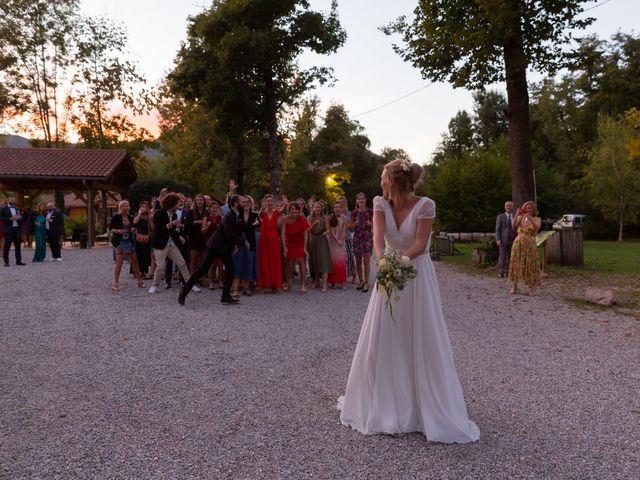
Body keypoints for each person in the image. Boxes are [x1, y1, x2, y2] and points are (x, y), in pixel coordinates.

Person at [338, 158, 480, 444]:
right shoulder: (380, 204)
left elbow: (419, 243)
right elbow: (378, 239)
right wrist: (383, 264)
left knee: (420, 334)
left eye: (383, 178)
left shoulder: (425, 205)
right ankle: (386, 399)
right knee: (387, 334)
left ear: (393, 180)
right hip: (390, 273)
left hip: (417, 275)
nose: (380, 183)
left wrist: (399, 263)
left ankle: (423, 403)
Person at [179, 195, 244, 305]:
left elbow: (236, 230)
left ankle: (225, 296)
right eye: (242, 201)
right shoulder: (230, 215)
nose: (244, 203)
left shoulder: (237, 214)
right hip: (215, 246)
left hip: (224, 247)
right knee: (202, 270)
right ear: (236, 204)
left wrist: (235, 245)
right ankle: (183, 292)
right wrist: (242, 242)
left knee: (231, 269)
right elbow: (230, 234)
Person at [148, 193, 199, 295]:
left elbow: (172, 231)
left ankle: (190, 284)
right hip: (160, 244)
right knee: (161, 266)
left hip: (171, 244)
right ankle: (154, 285)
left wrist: (180, 237)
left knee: (182, 263)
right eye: (177, 203)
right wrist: (171, 224)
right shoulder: (159, 214)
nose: (179, 205)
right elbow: (158, 230)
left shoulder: (174, 215)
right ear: (171, 203)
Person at [110, 200, 144, 292]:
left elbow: (133, 225)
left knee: (134, 260)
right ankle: (116, 283)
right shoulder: (116, 217)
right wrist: (118, 231)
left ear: (129, 207)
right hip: (119, 241)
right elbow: (111, 229)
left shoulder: (130, 217)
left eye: (127, 206)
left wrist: (133, 229)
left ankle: (139, 280)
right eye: (123, 206)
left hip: (128, 241)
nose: (125, 208)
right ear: (120, 208)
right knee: (119, 262)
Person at [508, 201, 542, 295]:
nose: (528, 209)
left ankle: (532, 288)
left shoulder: (537, 218)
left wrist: (530, 219)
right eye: (526, 208)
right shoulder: (520, 217)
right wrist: (516, 215)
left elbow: (537, 228)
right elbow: (513, 225)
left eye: (530, 208)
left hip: (530, 242)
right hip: (519, 242)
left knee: (531, 264)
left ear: (533, 209)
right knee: (516, 263)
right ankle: (514, 287)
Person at [232, 195, 259, 297]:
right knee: (237, 264)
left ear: (251, 204)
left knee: (249, 263)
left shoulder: (254, 215)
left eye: (248, 201)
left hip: (251, 242)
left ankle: (246, 287)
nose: (246, 203)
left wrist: (257, 223)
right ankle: (235, 288)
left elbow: (259, 225)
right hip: (239, 242)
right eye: (244, 201)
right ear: (241, 204)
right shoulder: (237, 215)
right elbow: (234, 231)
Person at [257, 194, 283, 292]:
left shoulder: (276, 212)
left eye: (271, 201)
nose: (270, 202)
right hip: (264, 239)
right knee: (265, 260)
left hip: (274, 239)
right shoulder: (261, 213)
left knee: (274, 260)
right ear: (265, 202)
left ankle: (274, 284)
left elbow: (283, 208)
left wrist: (284, 202)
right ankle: (266, 284)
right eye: (268, 201)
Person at [282, 202, 310, 294]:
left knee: (301, 260)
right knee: (287, 262)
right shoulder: (285, 219)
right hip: (289, 242)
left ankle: (303, 285)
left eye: (295, 209)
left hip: (300, 242)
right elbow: (282, 234)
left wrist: (305, 248)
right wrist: (285, 247)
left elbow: (305, 234)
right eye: (292, 209)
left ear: (298, 211)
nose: (293, 211)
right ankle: (288, 282)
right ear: (289, 210)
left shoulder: (302, 219)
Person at [350, 192, 373, 292]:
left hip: (367, 237)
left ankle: (367, 283)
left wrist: (371, 223)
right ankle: (361, 281)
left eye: (362, 199)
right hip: (357, 238)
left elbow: (376, 225)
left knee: (366, 260)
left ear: (365, 200)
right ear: (357, 201)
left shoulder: (370, 211)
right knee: (358, 261)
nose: (361, 200)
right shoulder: (354, 212)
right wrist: (354, 224)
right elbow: (349, 227)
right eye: (359, 199)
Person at [307, 201, 332, 292]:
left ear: (321, 209)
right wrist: (314, 224)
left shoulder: (325, 217)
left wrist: (326, 232)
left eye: (319, 207)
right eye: (316, 207)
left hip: (322, 239)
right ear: (313, 208)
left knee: (324, 260)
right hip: (313, 239)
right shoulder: (309, 218)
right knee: (314, 260)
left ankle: (324, 284)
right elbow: (308, 230)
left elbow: (328, 229)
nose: (317, 209)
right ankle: (317, 281)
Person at [203, 201, 223, 289]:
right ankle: (211, 282)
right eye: (213, 208)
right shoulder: (206, 218)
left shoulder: (221, 218)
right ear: (210, 209)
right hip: (210, 243)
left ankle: (220, 281)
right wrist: (207, 226)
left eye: (216, 208)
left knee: (220, 263)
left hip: (219, 243)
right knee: (211, 263)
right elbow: (202, 231)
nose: (214, 209)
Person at [327, 201, 347, 289]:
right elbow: (331, 231)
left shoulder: (344, 218)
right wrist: (337, 240)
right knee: (333, 261)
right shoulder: (330, 218)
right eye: (336, 207)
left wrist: (341, 240)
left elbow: (344, 230)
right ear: (333, 209)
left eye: (339, 207)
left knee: (341, 261)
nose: (338, 209)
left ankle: (343, 282)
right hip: (333, 242)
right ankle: (333, 281)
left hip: (341, 242)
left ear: (342, 208)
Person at [1, 196, 26, 266]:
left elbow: (21, 217)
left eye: (13, 200)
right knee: (7, 246)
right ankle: (6, 262)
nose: (12, 201)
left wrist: (20, 217)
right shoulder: (3, 209)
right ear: (8, 200)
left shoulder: (17, 208)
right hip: (8, 230)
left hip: (16, 229)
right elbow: (1, 218)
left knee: (18, 246)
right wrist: (10, 219)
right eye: (11, 200)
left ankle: (18, 261)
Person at [186, 194, 207, 274]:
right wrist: (196, 222)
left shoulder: (206, 212)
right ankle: (191, 278)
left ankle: (201, 277)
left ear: (204, 201)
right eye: (197, 200)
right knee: (193, 260)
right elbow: (186, 224)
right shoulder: (191, 212)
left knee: (203, 260)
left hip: (204, 238)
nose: (199, 202)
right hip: (194, 238)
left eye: (201, 200)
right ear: (195, 201)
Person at [338, 196, 357, 284]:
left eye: (343, 202)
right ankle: (341, 276)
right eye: (339, 202)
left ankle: (353, 275)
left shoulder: (349, 213)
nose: (341, 203)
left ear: (345, 203)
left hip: (347, 238)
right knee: (341, 259)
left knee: (350, 257)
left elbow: (352, 228)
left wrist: (348, 226)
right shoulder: (336, 213)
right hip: (338, 239)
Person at [132, 201, 153, 279]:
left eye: (145, 207)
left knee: (145, 256)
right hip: (137, 238)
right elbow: (134, 222)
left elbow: (152, 227)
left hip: (147, 238)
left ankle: (143, 272)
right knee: (137, 255)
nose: (144, 208)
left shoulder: (149, 216)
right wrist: (139, 214)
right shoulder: (137, 214)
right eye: (142, 206)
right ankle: (136, 271)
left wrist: (150, 218)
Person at [495, 201, 515, 278]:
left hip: (513, 239)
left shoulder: (515, 216)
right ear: (505, 207)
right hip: (503, 240)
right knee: (502, 256)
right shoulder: (501, 216)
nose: (508, 207)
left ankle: (509, 272)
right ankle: (501, 272)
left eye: (510, 206)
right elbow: (497, 229)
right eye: (507, 206)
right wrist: (498, 239)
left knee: (511, 256)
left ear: (512, 207)